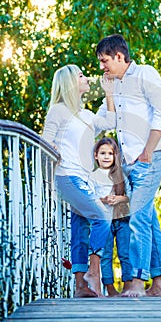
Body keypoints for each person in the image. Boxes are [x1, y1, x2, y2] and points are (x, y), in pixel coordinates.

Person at [96, 34, 161, 297]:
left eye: (105, 61)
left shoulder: (146, 74)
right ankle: (160, 284)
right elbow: (107, 121)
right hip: (130, 164)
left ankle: (138, 281)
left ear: (119, 56)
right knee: (148, 220)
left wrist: (148, 151)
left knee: (138, 219)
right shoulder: (115, 85)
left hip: (149, 158)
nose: (102, 67)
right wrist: (107, 94)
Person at [42, 64, 115, 297]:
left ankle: (80, 286)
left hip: (84, 180)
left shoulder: (86, 115)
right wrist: (52, 147)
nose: (86, 78)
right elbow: (45, 142)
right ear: (70, 83)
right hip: (67, 177)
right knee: (102, 217)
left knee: (81, 228)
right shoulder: (58, 110)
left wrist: (109, 93)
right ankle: (93, 272)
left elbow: (110, 123)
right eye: (81, 75)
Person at [89, 137, 132, 296]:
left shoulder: (120, 175)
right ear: (96, 155)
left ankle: (128, 285)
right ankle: (110, 288)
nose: (106, 157)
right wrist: (104, 200)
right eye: (102, 153)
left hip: (121, 219)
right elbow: (90, 197)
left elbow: (130, 195)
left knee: (125, 253)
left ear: (115, 156)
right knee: (106, 255)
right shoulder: (92, 176)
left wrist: (119, 198)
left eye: (110, 153)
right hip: (103, 221)